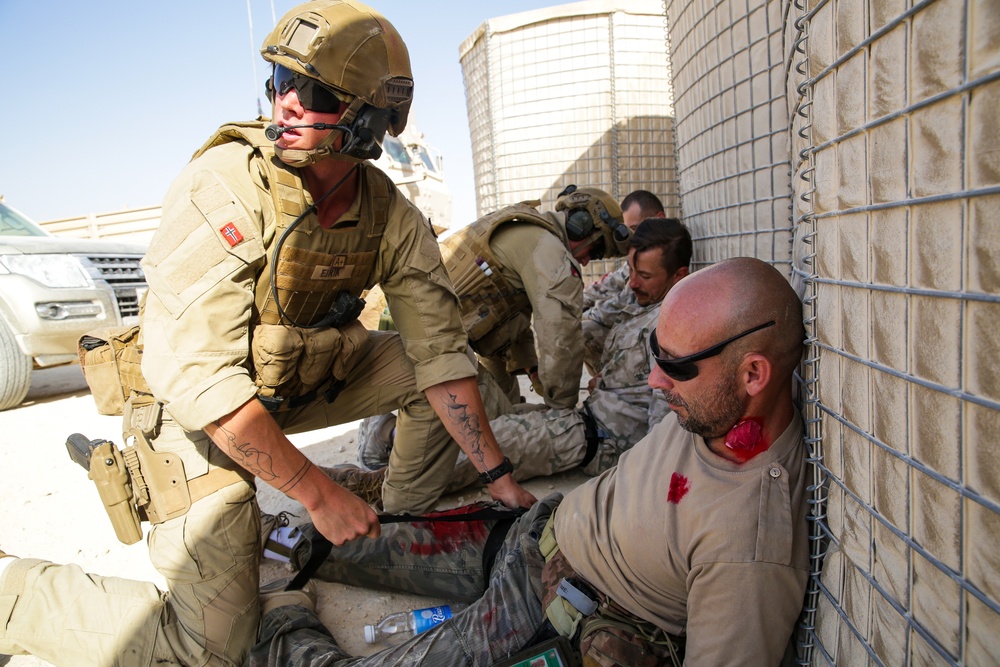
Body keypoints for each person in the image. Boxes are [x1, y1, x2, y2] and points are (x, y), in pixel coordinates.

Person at [0, 2, 535, 665]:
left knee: (420, 371)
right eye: (277, 83)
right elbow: (196, 374)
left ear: (366, 118)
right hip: (188, 413)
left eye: (309, 92)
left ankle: (392, 525)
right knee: (213, 647)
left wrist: (499, 474)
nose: (284, 104)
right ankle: (11, 594)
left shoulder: (388, 214)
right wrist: (316, 490)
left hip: (288, 382)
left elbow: (439, 355)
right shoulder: (226, 187)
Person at [249, 256, 811, 666]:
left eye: (676, 367)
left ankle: (281, 620)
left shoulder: (749, 543)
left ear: (754, 374)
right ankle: (277, 544)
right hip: (536, 533)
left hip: (552, 608)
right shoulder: (712, 409)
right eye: (653, 355)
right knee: (353, 538)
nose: (654, 379)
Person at [334, 218, 691, 497]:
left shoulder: (679, 331)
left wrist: (644, 482)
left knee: (490, 445)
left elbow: (669, 427)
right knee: (489, 413)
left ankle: (373, 485)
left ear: (679, 276)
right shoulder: (640, 298)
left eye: (643, 276)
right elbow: (589, 324)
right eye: (631, 272)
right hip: (588, 416)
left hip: (603, 441)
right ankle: (397, 440)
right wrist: (607, 377)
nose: (631, 284)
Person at [439, 185, 630, 408]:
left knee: (506, 405)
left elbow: (512, 313)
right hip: (435, 350)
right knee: (490, 425)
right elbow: (561, 338)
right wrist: (562, 409)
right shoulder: (551, 253)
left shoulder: (527, 228)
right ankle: (390, 431)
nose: (586, 261)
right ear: (582, 226)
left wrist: (532, 368)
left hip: (445, 340)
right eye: (595, 250)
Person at [581, 190, 669, 373]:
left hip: (650, 334)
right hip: (636, 327)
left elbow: (623, 303)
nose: (632, 238)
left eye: (635, 228)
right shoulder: (643, 253)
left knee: (584, 330)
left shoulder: (667, 256)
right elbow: (609, 285)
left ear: (659, 218)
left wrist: (583, 316)